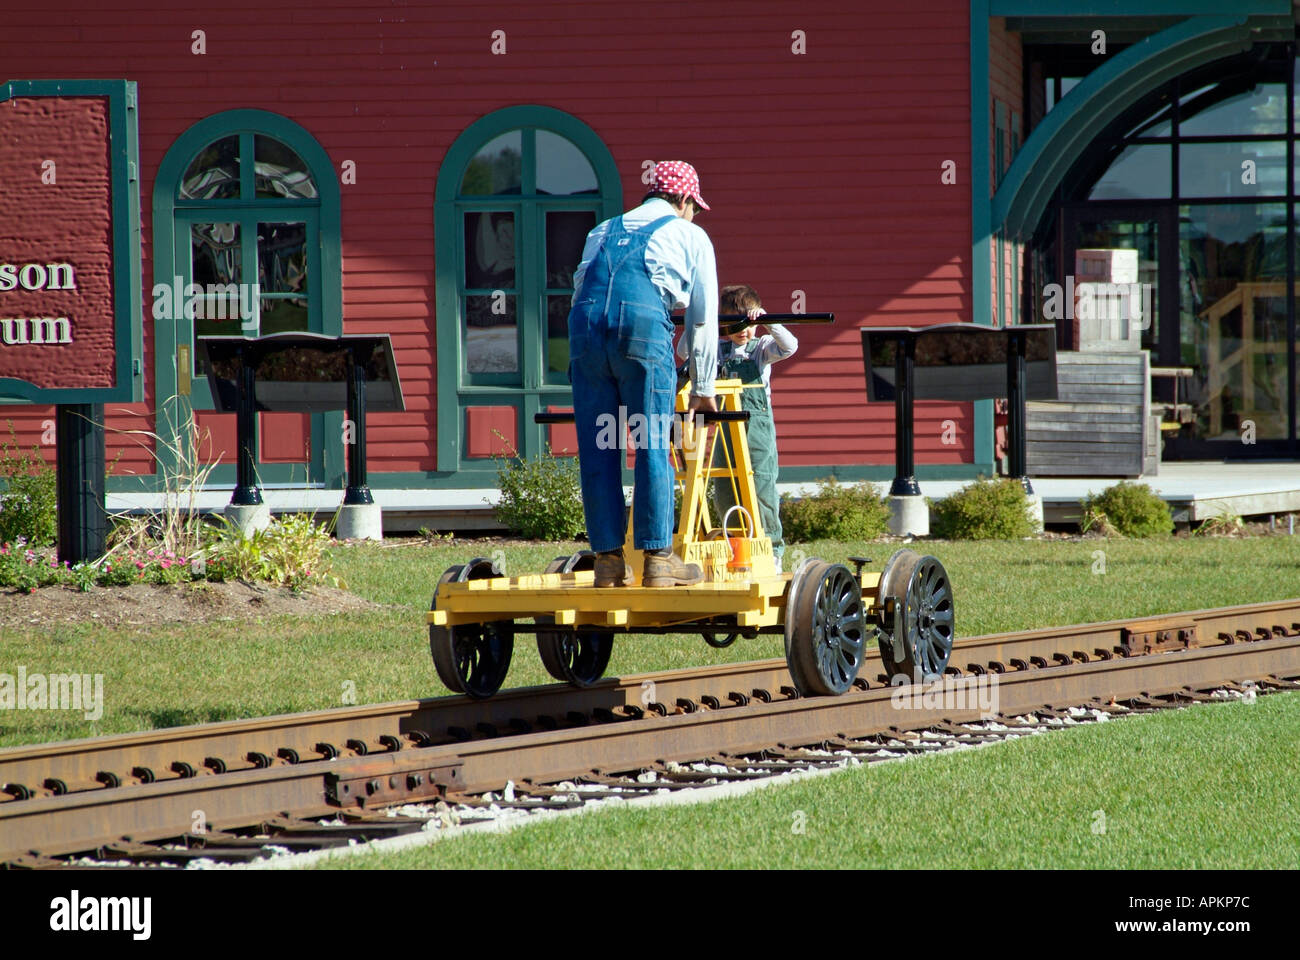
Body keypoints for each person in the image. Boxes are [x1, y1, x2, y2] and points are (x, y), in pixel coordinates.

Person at [568, 161, 719, 587]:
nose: (695, 215)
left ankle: (608, 563)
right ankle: (658, 560)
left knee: (600, 444)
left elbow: (582, 292)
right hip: (641, 330)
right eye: (696, 207)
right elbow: (702, 318)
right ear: (685, 200)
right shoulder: (690, 234)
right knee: (652, 441)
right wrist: (702, 386)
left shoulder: (600, 231)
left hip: (584, 332)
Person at [683, 284, 796, 569]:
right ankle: (736, 545)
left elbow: (790, 346)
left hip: (756, 424)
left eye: (747, 324)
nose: (741, 330)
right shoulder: (717, 350)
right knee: (724, 484)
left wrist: (768, 321)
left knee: (761, 484)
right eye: (733, 324)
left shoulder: (761, 349)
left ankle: (772, 550)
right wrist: (701, 320)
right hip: (725, 426)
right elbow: (685, 350)